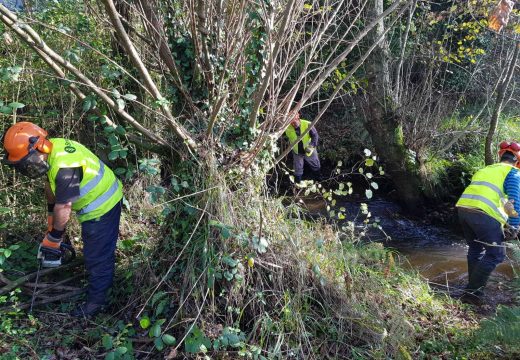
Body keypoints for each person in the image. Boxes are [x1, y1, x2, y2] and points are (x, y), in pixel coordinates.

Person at [2, 122, 123, 317]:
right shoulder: (54, 149)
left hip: (103, 205)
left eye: (28, 161)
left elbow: (64, 205)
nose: (28, 167)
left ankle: (97, 303)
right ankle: (97, 283)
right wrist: (51, 223)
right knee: (93, 250)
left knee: (97, 256)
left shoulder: (65, 165)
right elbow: (51, 189)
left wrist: (55, 238)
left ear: (39, 147)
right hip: (97, 201)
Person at [455, 141, 520, 304]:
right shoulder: (513, 172)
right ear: (517, 161)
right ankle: (471, 294)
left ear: (501, 156)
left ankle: (473, 286)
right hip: (483, 214)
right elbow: (514, 200)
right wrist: (514, 225)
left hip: (463, 210)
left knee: (475, 249)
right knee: (496, 254)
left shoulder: (486, 169)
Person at [284, 112, 321, 184]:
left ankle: (318, 180)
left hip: (309, 149)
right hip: (297, 152)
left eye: (294, 122)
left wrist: (311, 146)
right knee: (298, 168)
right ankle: (297, 184)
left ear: (298, 118)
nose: (293, 124)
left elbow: (315, 136)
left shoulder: (307, 124)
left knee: (315, 164)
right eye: (291, 123)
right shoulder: (286, 128)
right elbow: (285, 137)